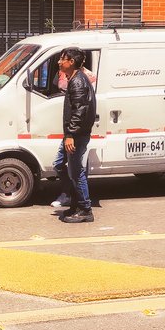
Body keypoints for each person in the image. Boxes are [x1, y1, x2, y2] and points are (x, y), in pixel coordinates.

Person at [52, 47, 97, 223]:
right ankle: (76, 204)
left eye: (62, 59)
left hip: (76, 135)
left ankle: (85, 209)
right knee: (65, 167)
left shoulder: (78, 81)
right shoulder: (76, 79)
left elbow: (80, 110)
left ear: (71, 62)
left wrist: (70, 134)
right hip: (75, 134)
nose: (59, 61)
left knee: (76, 171)